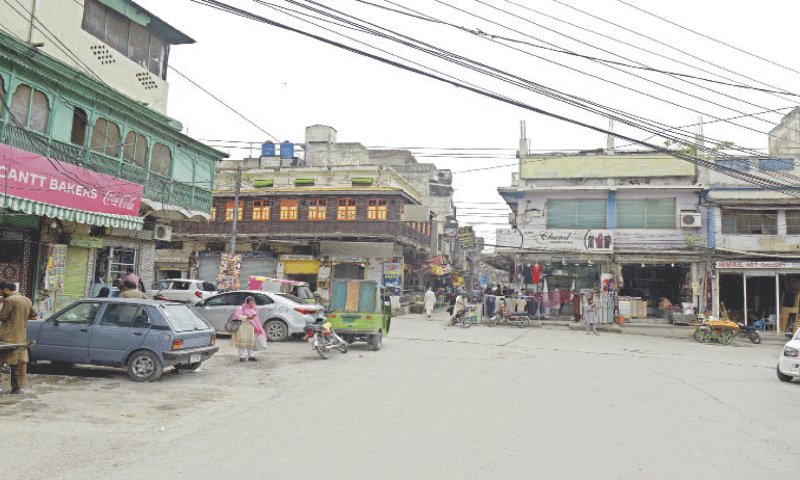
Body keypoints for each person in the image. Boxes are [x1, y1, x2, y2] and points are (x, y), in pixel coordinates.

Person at [0, 282, 38, 394]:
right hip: (21, 337)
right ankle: (18, 388)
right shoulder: (27, 300)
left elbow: (2, 317)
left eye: (1, 292)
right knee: (20, 364)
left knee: (1, 360)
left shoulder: (9, 300)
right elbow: (34, 316)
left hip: (6, 337)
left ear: (6, 290)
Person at [231, 296, 268, 362]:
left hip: (251, 328)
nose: (251, 305)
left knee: (250, 342)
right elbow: (236, 316)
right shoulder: (241, 308)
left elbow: (256, 320)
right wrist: (247, 317)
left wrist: (258, 327)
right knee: (242, 342)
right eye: (250, 304)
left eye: (252, 304)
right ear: (246, 303)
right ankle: (242, 356)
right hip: (242, 327)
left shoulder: (254, 310)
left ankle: (251, 356)